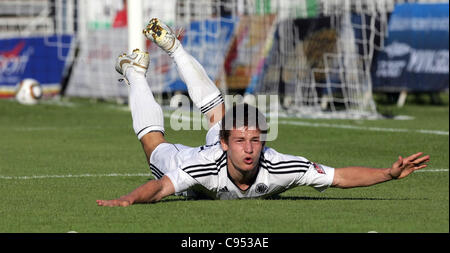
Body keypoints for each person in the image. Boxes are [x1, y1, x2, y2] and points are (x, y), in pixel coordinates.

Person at [96, 18, 430, 207]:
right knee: (154, 145)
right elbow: (160, 188)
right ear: (227, 145)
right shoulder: (200, 168)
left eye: (256, 140)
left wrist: (388, 173)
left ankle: (174, 50)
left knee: (218, 113)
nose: (250, 148)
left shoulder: (281, 166)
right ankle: (137, 72)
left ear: (264, 142)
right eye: (241, 140)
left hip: (218, 151)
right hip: (191, 160)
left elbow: (339, 177)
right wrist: (127, 200)